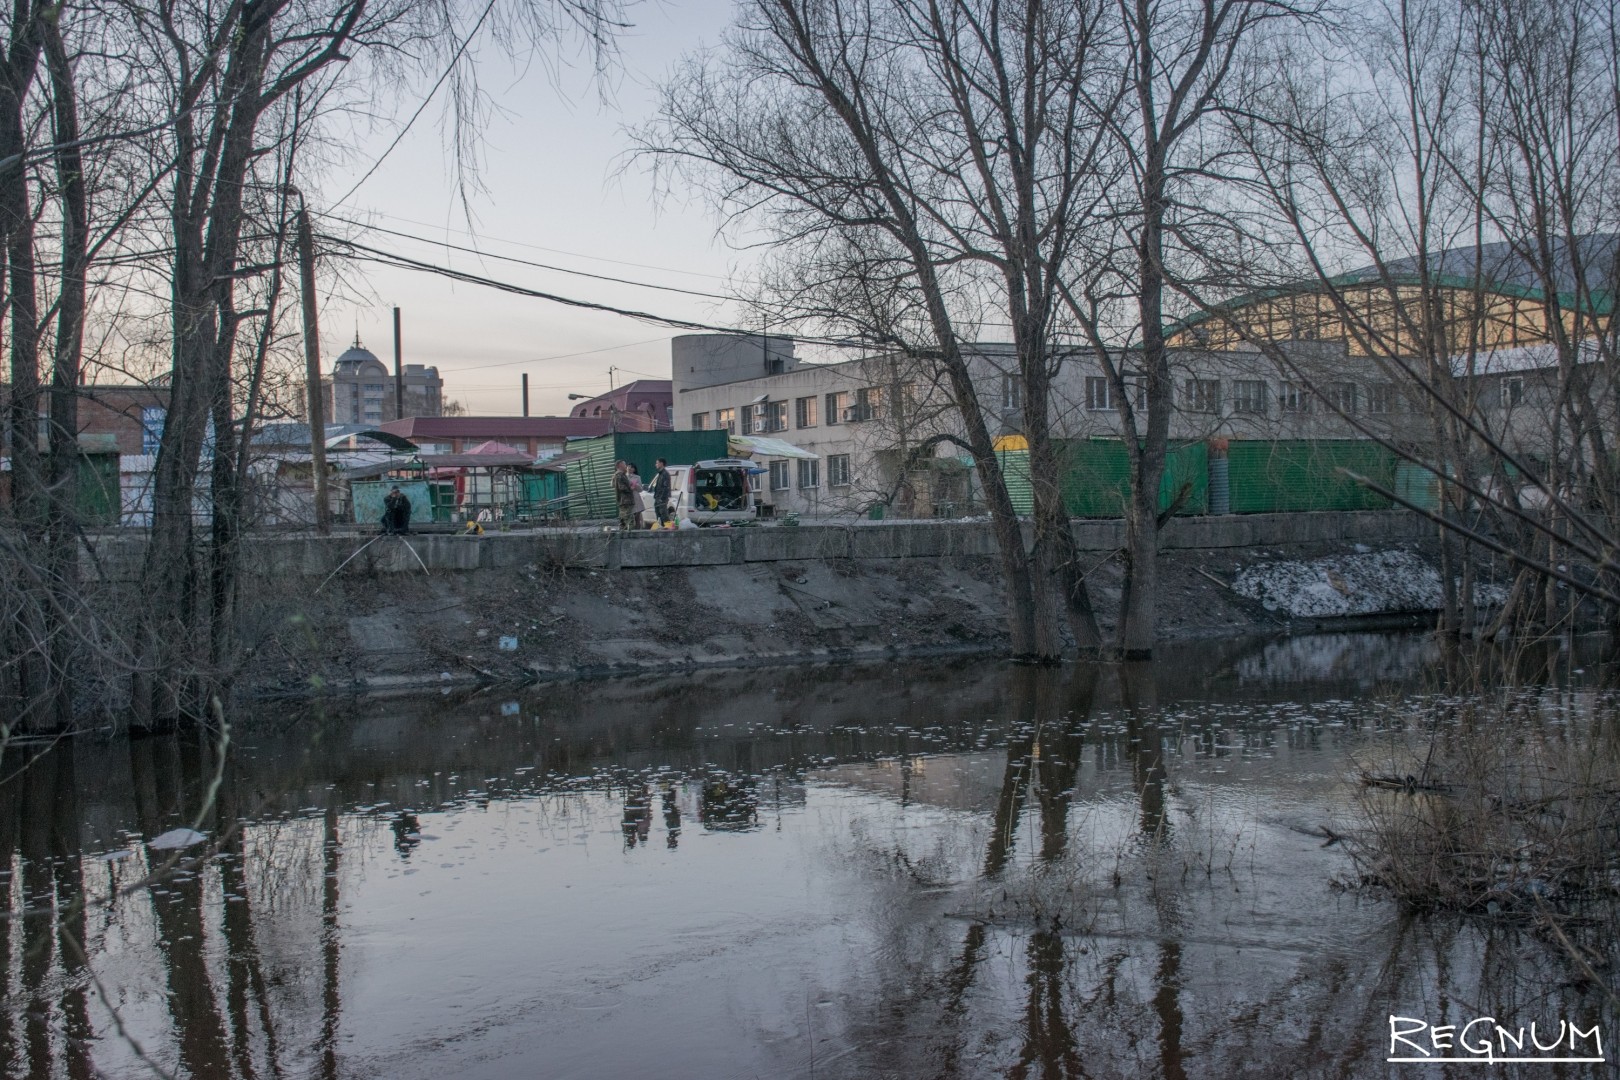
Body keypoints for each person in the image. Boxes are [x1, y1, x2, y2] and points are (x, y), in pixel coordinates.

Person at [612, 460, 637, 531]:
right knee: (629, 519)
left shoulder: (620, 475)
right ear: (620, 466)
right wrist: (630, 488)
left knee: (623, 519)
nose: (626, 466)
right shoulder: (619, 475)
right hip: (626, 500)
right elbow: (621, 487)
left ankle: (623, 533)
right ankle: (631, 534)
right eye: (624, 464)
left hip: (624, 500)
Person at [651, 457, 672, 528]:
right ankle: (661, 527)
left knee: (664, 514)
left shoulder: (665, 474)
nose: (655, 464)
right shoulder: (660, 474)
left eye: (657, 463)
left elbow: (666, 488)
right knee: (658, 514)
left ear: (661, 463)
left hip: (662, 498)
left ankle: (669, 528)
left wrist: (661, 498)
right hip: (657, 497)